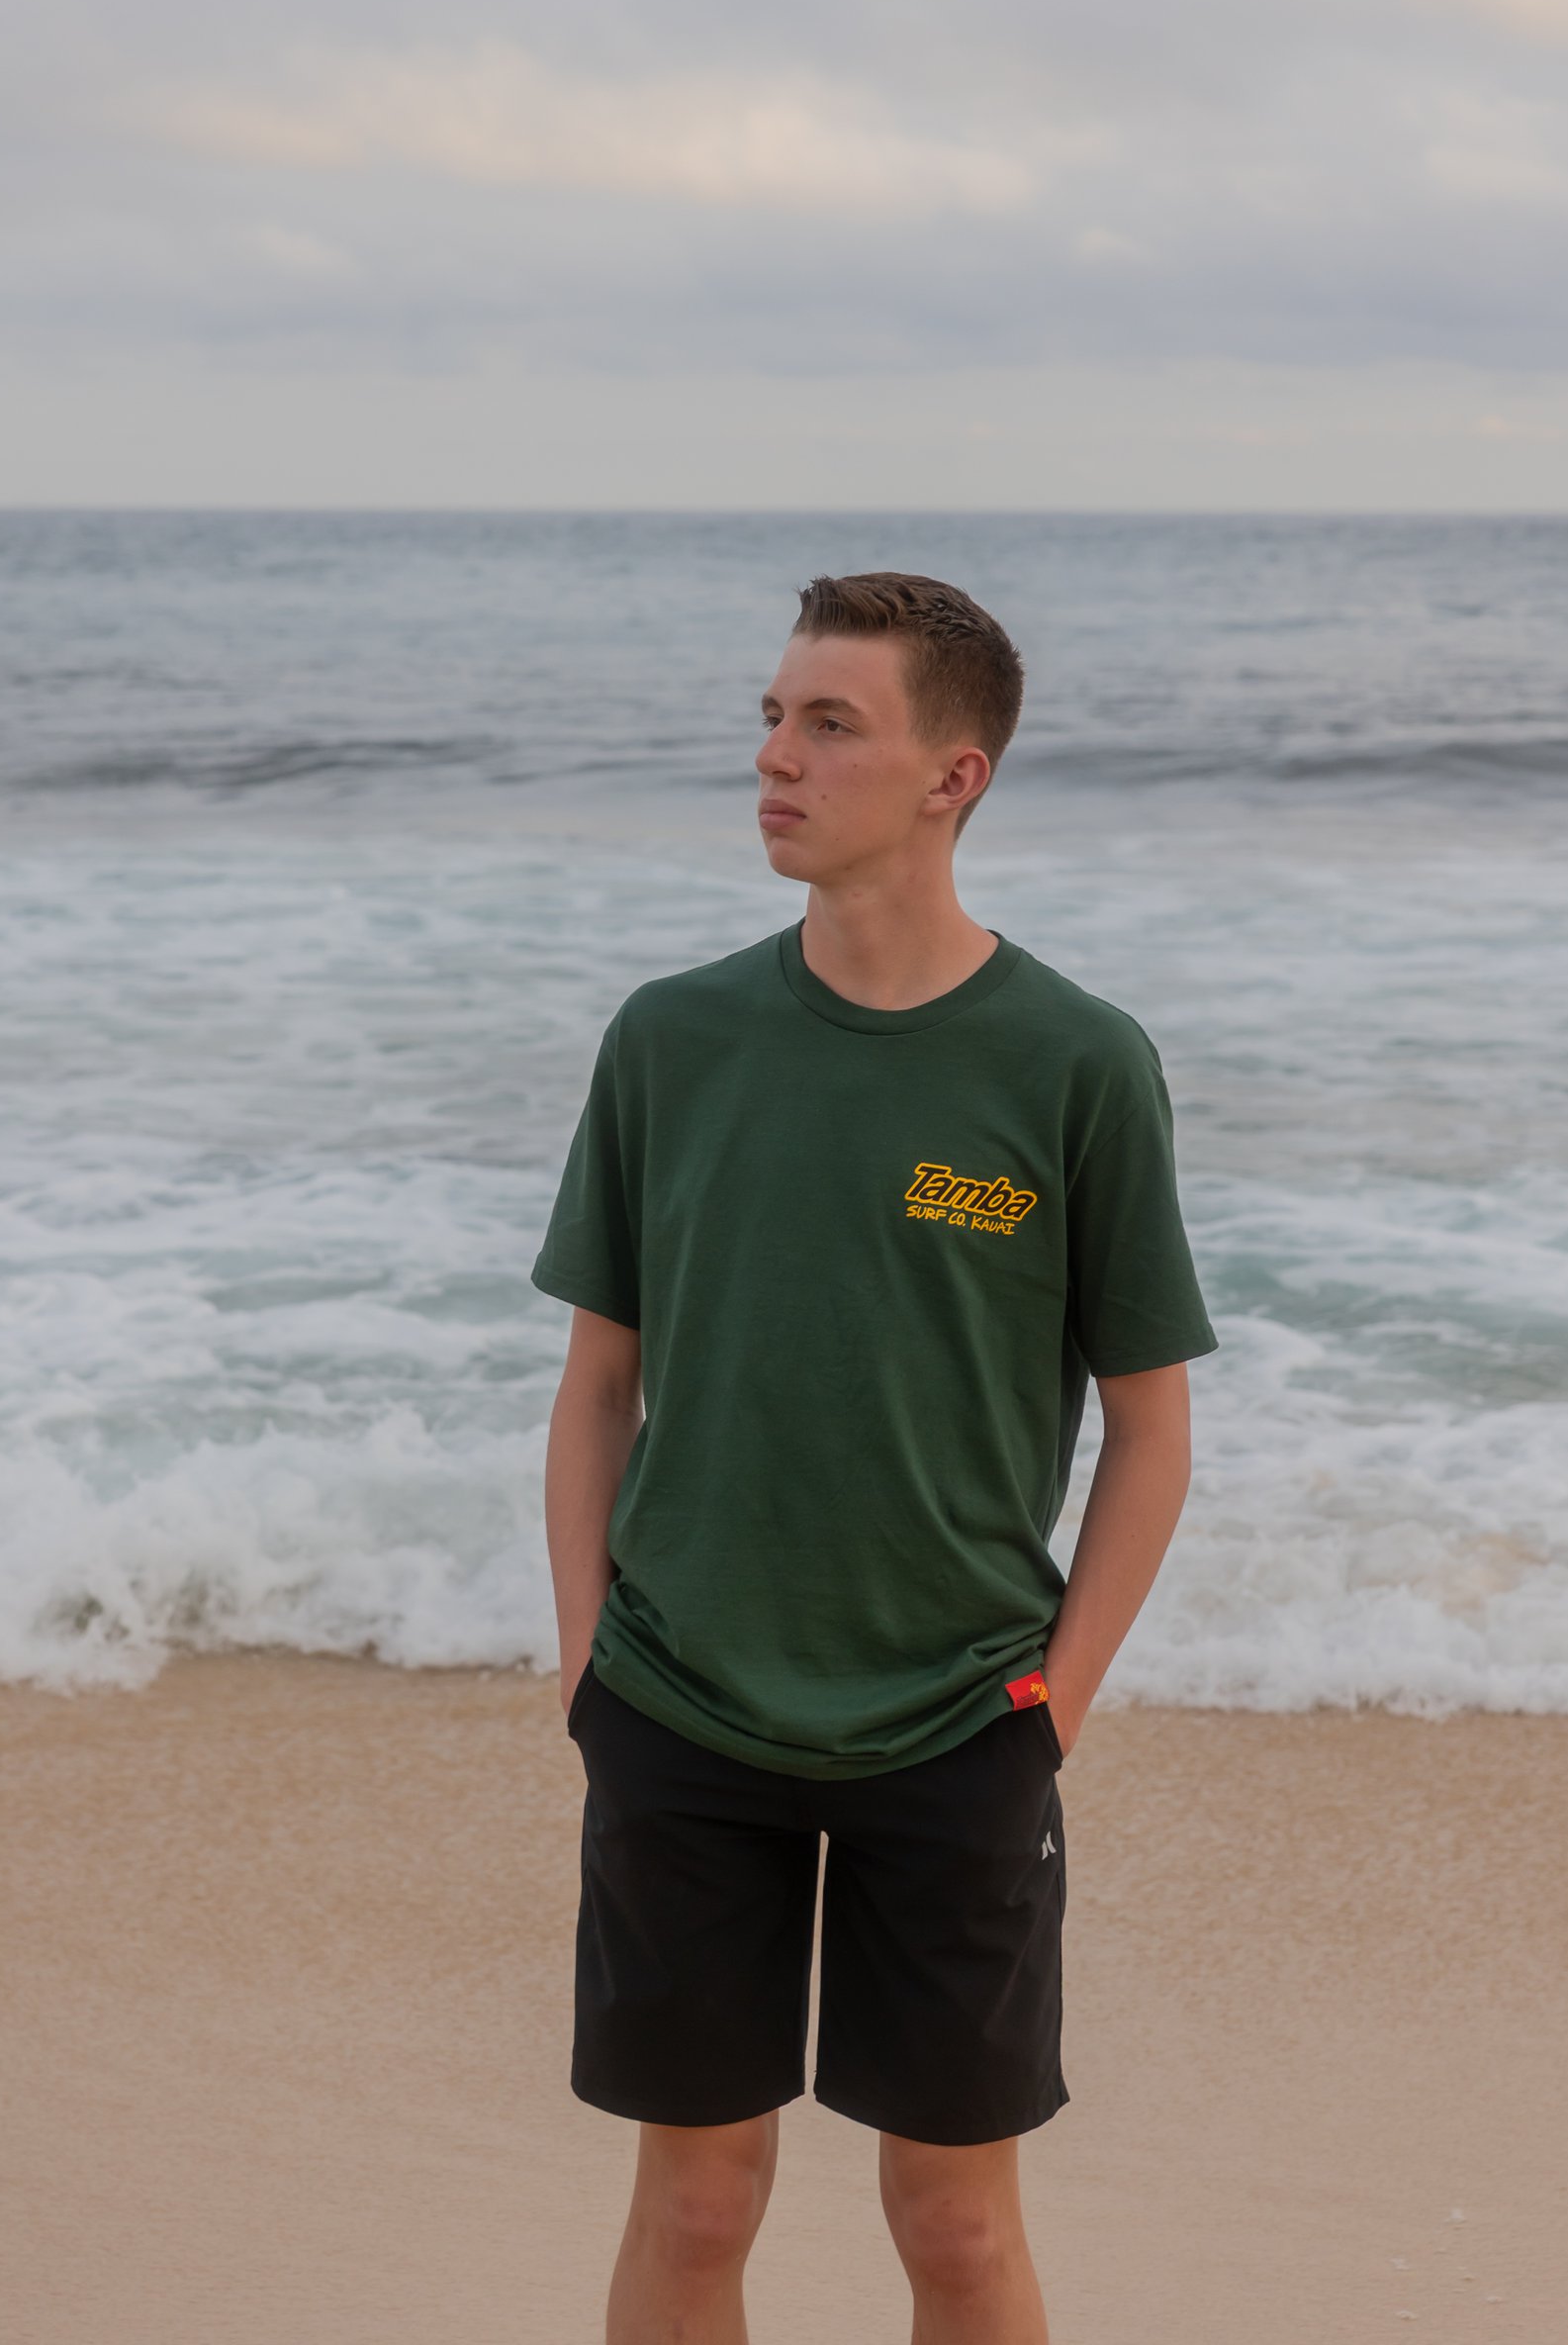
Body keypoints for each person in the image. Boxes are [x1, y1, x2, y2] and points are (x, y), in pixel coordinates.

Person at [535, 570, 1217, 2344]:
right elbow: (598, 1386)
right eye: (772, 717)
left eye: (829, 725)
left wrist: (1056, 1705)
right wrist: (586, 1660)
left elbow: (1152, 1427)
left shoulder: (1075, 1064)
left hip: (960, 1718)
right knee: (697, 2202)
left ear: (951, 777)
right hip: (680, 1703)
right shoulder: (672, 1039)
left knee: (958, 2229)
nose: (776, 757)